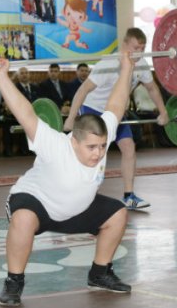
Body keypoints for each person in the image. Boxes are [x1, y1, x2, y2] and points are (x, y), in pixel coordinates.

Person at [0, 51, 134, 306]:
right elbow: (26, 115)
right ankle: (14, 282)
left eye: (102, 146)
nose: (99, 153)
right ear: (74, 141)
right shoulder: (55, 145)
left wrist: (127, 68)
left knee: (118, 213)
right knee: (23, 219)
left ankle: (99, 273)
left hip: (75, 207)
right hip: (38, 202)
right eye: (92, 148)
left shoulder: (101, 135)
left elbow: (116, 106)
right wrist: (1, 78)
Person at [64, 28, 169, 210]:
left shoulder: (142, 64)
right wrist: (71, 118)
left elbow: (152, 89)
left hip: (116, 113)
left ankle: (129, 196)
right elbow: (83, 90)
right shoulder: (109, 64)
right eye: (136, 47)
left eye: (143, 48)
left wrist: (163, 112)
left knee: (129, 147)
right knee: (92, 154)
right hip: (93, 109)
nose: (140, 52)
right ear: (125, 44)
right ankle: (77, 194)